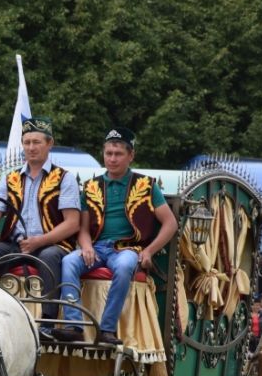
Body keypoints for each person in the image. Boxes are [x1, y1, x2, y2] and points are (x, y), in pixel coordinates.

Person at [53, 128, 178, 345]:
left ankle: (107, 329)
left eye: (118, 154)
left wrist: (149, 250)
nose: (112, 159)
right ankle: (74, 326)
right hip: (97, 247)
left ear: (131, 156)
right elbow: (82, 228)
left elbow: (171, 223)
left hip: (128, 249)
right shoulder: (91, 186)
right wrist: (86, 246)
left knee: (123, 267)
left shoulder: (147, 185)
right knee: (69, 261)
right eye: (108, 153)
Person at [0, 117, 81, 340]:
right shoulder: (10, 178)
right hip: (16, 243)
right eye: (27, 142)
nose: (31, 147)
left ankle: (48, 323)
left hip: (52, 243)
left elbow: (72, 223)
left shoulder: (64, 178)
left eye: (36, 142)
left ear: (49, 144)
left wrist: (40, 241)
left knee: (50, 256)